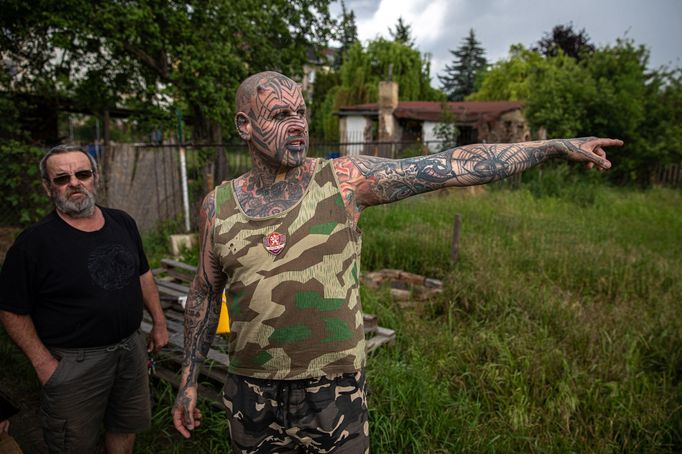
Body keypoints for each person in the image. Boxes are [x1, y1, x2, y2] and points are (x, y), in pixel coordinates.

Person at [171, 71, 623, 452]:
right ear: (244, 125)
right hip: (251, 393)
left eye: (301, 113)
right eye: (280, 115)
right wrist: (189, 379)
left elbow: (453, 165)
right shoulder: (218, 205)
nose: (297, 125)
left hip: (332, 392)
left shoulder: (344, 181)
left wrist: (552, 146)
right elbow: (205, 294)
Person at [0, 145, 169, 454]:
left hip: (131, 349)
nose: (74, 183)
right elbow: (11, 310)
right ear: (47, 187)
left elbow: (143, 275)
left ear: (96, 178)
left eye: (82, 174)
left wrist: (158, 322)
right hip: (74, 363)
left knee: (125, 426)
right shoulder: (33, 244)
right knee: (73, 443)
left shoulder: (123, 223)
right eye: (62, 178)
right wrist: (43, 363)